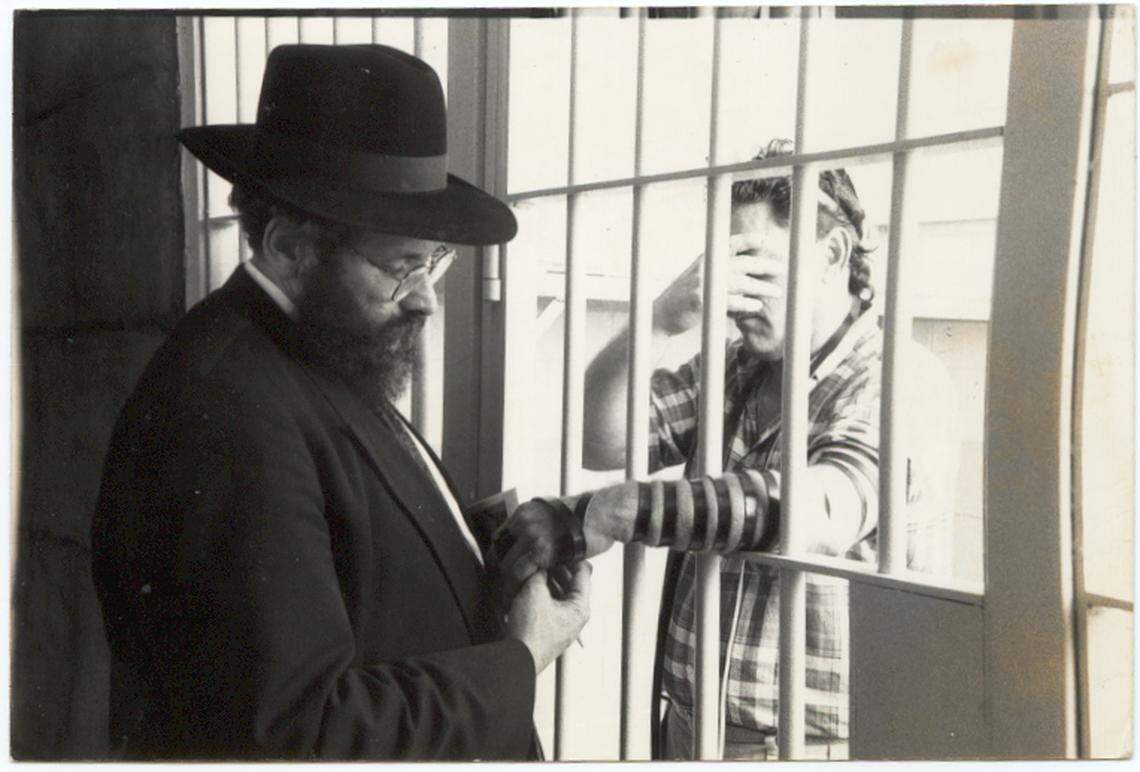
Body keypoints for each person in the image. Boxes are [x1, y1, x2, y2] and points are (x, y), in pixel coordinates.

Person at [91, 44, 590, 761]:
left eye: (436, 263)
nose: (424, 297)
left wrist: (490, 548)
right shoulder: (222, 406)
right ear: (290, 247)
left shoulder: (312, 347)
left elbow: (352, 538)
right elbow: (296, 731)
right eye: (402, 267)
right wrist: (523, 656)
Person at [497, 140, 958, 760]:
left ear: (832, 253)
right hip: (694, 722)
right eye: (726, 263)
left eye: (755, 264)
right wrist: (661, 317)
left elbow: (810, 514)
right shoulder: (739, 369)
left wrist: (607, 511)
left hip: (820, 744)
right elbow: (603, 436)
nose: (732, 293)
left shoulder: (900, 379)